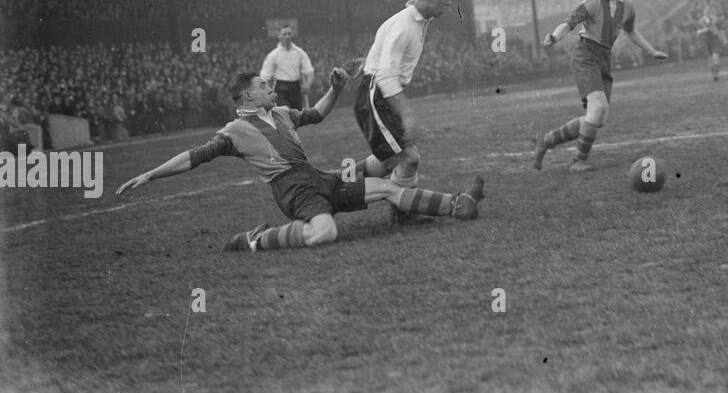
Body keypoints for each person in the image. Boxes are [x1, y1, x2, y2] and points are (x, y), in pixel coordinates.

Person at [116, 69, 484, 252]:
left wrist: (335, 89)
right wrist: (151, 173)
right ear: (247, 95)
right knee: (325, 233)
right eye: (263, 85)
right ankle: (256, 240)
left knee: (387, 186)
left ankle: (457, 205)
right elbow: (192, 158)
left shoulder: (280, 113)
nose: (269, 87)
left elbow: (318, 114)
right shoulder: (233, 130)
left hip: (318, 178)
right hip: (292, 191)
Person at [530, 0, 668, 173]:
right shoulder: (592, 3)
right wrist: (554, 37)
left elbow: (631, 31)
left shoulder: (628, 7)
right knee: (599, 108)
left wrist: (651, 51)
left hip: (604, 58)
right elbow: (569, 23)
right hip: (585, 55)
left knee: (596, 117)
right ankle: (578, 161)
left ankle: (546, 141)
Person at [351, 0, 455, 189]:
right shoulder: (403, 25)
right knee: (410, 158)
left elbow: (384, 51)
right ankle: (403, 211)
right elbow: (386, 76)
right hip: (376, 95)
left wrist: (369, 61)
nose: (449, 1)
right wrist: (407, 114)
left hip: (378, 92)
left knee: (390, 159)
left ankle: (336, 181)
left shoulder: (415, 20)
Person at [260, 25, 314, 110]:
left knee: (297, 117)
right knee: (285, 115)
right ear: (279, 36)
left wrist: (308, 84)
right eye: (284, 34)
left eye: (289, 34)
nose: (287, 36)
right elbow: (264, 76)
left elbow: (309, 70)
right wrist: (268, 93)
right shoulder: (273, 55)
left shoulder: (299, 52)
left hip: (296, 89)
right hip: (281, 90)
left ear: (292, 35)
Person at [696, 9, 724, 80]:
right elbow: (698, 31)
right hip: (706, 41)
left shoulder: (714, 19)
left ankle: (717, 74)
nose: (707, 13)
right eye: (706, 12)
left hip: (714, 39)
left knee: (716, 57)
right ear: (703, 13)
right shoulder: (701, 21)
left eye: (708, 12)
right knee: (710, 59)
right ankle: (713, 74)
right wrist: (704, 30)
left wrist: (723, 38)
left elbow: (720, 29)